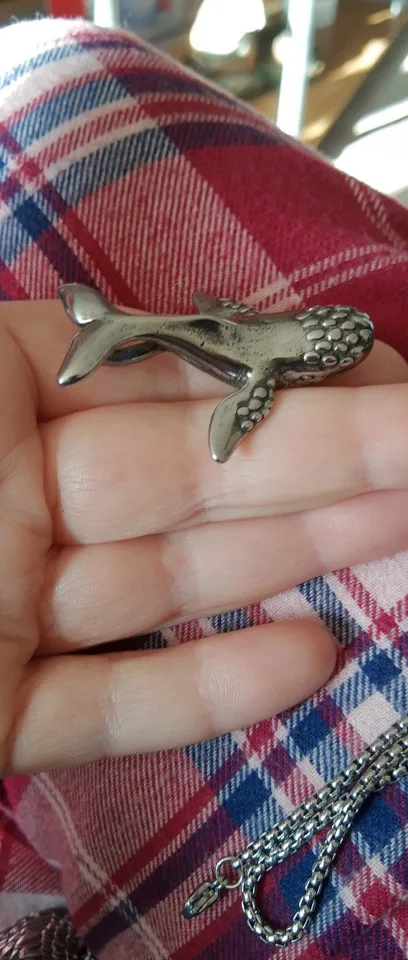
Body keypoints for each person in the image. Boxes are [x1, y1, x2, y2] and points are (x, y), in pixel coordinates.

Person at [0, 14, 407, 959]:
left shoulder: (275, 354)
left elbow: (249, 353)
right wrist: (233, 413)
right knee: (61, 66)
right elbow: (240, 390)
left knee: (61, 65)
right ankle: (107, 327)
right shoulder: (264, 366)